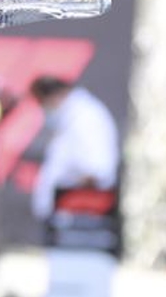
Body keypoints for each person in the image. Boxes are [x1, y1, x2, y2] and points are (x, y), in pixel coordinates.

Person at [27, 75, 121, 222]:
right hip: (65, 218)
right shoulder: (70, 118)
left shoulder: (86, 117)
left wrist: (67, 191)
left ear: (54, 96)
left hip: (82, 219)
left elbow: (98, 171)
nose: (43, 109)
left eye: (43, 103)